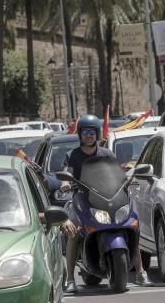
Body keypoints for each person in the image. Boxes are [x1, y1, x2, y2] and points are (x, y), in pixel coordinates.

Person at [61, 114, 150, 293]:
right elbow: (66, 172)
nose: (89, 135)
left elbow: (117, 173)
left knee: (131, 226)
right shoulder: (73, 155)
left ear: (98, 134)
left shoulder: (107, 154)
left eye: (92, 132)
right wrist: (65, 183)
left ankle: (140, 272)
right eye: (85, 132)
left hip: (107, 199)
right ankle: (70, 280)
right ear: (80, 134)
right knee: (73, 232)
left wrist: (128, 177)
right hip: (83, 199)